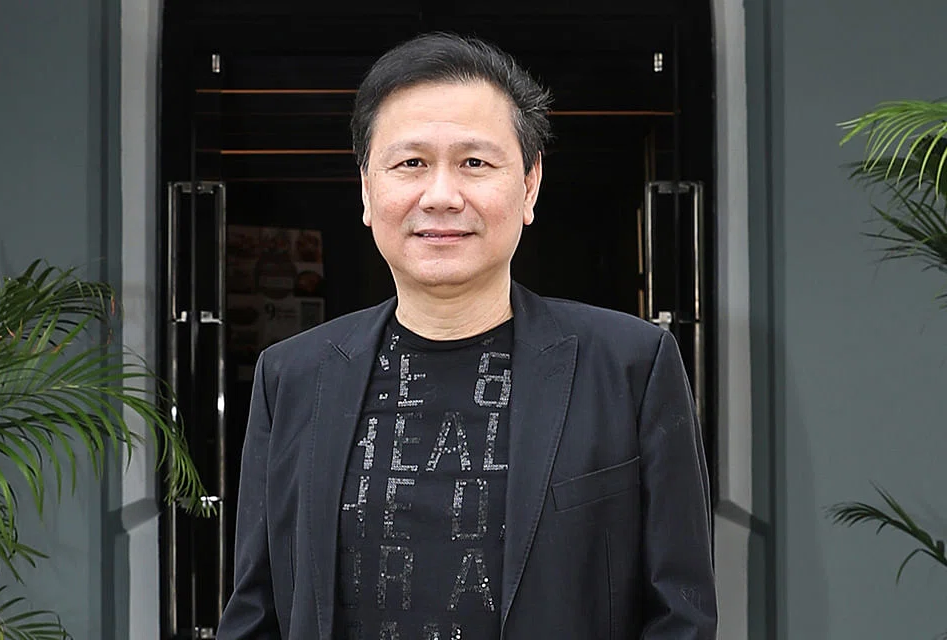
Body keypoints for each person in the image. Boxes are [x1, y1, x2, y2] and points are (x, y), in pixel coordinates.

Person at [217, 32, 716, 640]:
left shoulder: (631, 366)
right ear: (367, 189)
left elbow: (680, 616)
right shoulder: (291, 376)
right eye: (411, 163)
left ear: (529, 185)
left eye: (474, 163)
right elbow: (256, 611)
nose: (441, 196)